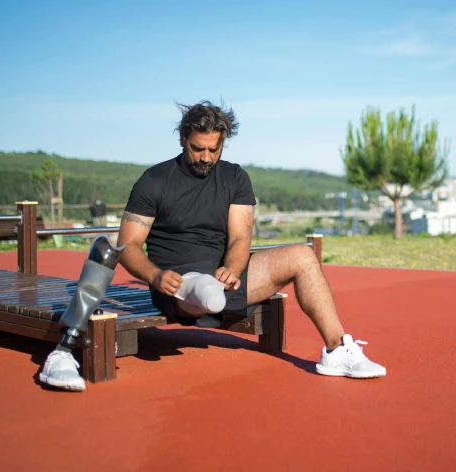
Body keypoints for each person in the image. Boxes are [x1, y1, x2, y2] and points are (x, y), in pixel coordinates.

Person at [38, 100, 385, 391]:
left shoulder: (235, 177)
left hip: (227, 276)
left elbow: (239, 238)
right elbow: (127, 246)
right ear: (182, 140)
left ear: (223, 144)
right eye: (197, 148)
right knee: (203, 291)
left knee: (303, 256)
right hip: (177, 284)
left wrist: (233, 269)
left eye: (213, 149)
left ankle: (336, 349)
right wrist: (156, 276)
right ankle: (65, 348)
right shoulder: (154, 180)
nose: (205, 157)